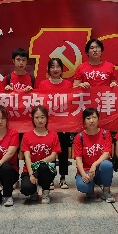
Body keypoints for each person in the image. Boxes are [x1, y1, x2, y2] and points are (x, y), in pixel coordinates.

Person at [37, 57, 73, 189]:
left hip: (64, 124)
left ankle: (63, 178)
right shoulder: (43, 84)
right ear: (48, 69)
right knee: (49, 151)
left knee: (63, 152)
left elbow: (72, 103)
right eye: (52, 67)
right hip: (48, 124)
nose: (55, 69)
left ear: (62, 69)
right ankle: (50, 178)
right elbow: (40, 103)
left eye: (58, 67)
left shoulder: (68, 84)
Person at [73, 108, 116, 203]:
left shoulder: (105, 134)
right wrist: (83, 174)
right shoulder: (79, 137)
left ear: (98, 119)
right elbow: (78, 158)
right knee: (83, 186)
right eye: (88, 118)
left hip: (100, 169)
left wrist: (95, 164)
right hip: (86, 170)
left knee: (107, 164)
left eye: (94, 117)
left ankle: (106, 191)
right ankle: (90, 187)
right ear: (84, 121)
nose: (91, 121)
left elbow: (107, 153)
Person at [20, 105, 60, 203]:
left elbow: (53, 156)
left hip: (46, 169)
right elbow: (27, 157)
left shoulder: (53, 135)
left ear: (47, 118)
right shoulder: (27, 136)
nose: (40, 120)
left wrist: (38, 163)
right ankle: (33, 190)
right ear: (33, 119)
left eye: (42, 117)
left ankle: (46, 191)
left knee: (43, 167)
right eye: (37, 117)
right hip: (30, 169)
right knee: (26, 188)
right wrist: (31, 174)